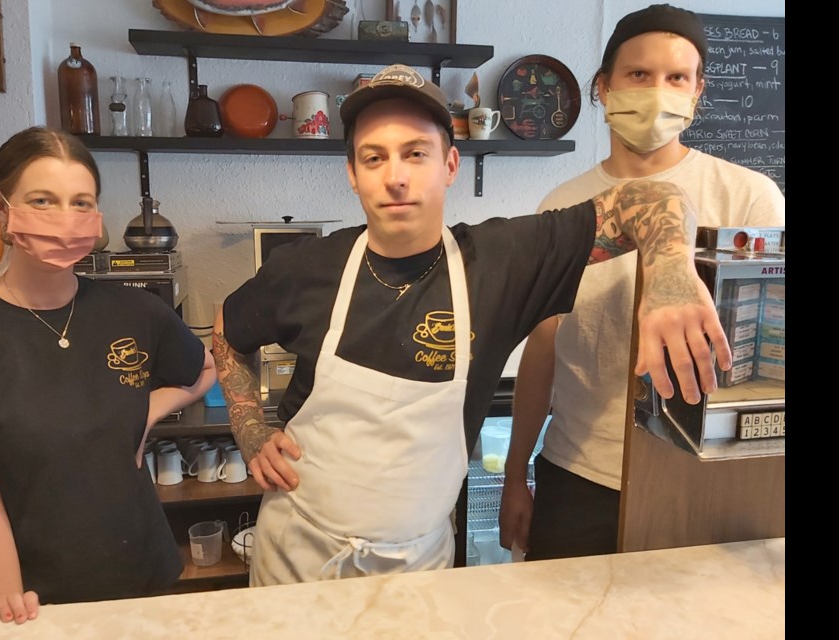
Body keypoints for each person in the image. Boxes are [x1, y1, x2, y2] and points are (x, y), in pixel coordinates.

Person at [211, 63, 732, 587]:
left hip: (418, 566)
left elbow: (653, 197)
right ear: (352, 174)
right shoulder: (307, 268)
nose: (395, 176)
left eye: (416, 153)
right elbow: (228, 335)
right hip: (297, 555)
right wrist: (251, 430)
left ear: (451, 164)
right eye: (374, 158)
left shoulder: (501, 263)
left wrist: (670, 277)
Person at [500, 4, 786, 561]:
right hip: (578, 473)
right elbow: (543, 345)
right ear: (603, 88)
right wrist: (516, 473)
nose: (658, 93)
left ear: (698, 91)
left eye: (676, 78)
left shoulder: (749, 199)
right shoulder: (562, 208)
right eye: (638, 75)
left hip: (704, 478)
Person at [0, 126, 217, 624]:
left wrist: (148, 409)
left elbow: (203, 368)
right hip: (36, 595)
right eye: (42, 201)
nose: (64, 221)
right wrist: (5, 600)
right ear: (1, 205)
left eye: (81, 202)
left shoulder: (134, 310)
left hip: (146, 575)